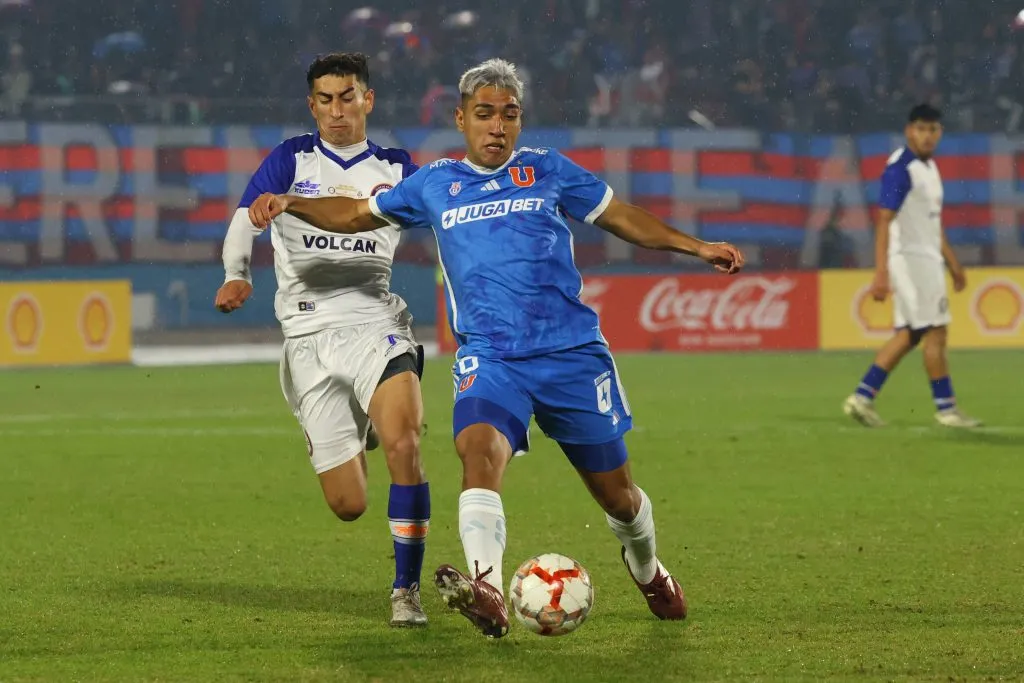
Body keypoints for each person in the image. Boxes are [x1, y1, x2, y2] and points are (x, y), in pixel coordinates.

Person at [247, 58, 745, 638]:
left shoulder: (548, 170)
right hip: (491, 356)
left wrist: (696, 245)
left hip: (571, 354)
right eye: (484, 114)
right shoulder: (435, 183)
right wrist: (291, 202)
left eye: (509, 115)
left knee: (619, 498)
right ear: (461, 118)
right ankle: (486, 588)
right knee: (476, 452)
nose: (497, 127)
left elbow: (622, 218)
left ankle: (647, 565)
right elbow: (355, 213)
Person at [215, 52, 431, 626]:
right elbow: (246, 218)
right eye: (326, 100)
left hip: (375, 322)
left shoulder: (397, 166)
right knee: (349, 505)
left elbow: (442, 229)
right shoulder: (291, 158)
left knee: (407, 445)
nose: (338, 110)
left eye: (348, 96)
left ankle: (405, 591)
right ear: (312, 106)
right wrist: (237, 274)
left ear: (369, 99)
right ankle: (361, 427)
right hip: (308, 334)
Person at [843, 104, 981, 429]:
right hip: (911, 260)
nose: (927, 135)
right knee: (935, 331)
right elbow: (883, 221)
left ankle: (862, 397)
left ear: (940, 133)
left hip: (928, 259)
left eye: (933, 129)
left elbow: (933, 223)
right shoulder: (900, 169)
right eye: (921, 128)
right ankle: (946, 409)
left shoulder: (929, 168)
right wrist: (880, 273)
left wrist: (953, 264)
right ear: (909, 131)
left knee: (909, 335)